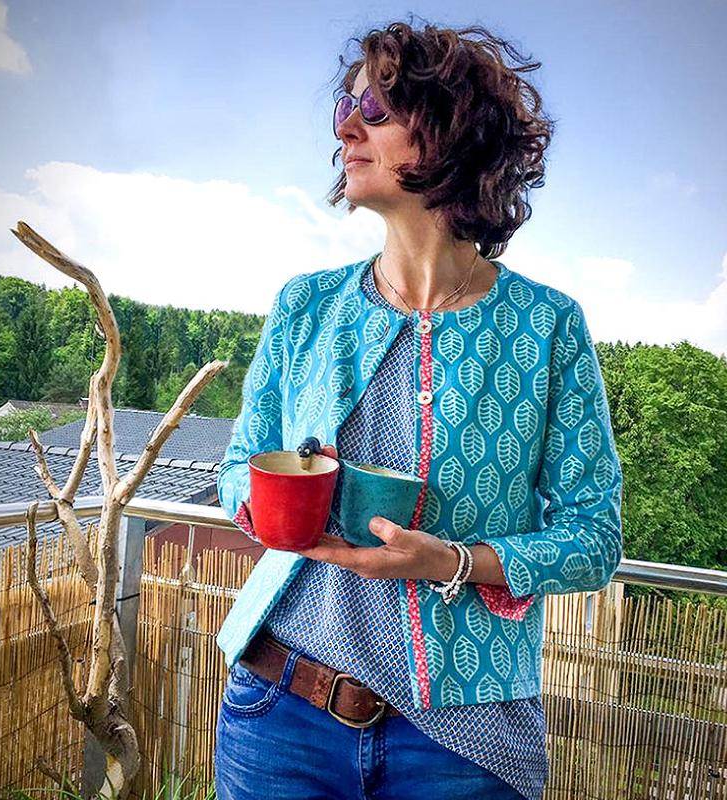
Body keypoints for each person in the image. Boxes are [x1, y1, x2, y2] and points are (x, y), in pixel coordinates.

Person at [214, 19, 623, 800]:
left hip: (464, 745)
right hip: (279, 714)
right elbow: (240, 465)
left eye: (373, 107)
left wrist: (454, 563)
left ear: (452, 131)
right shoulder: (304, 307)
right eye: (345, 105)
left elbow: (593, 538)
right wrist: (270, 505)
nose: (345, 127)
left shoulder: (548, 327)